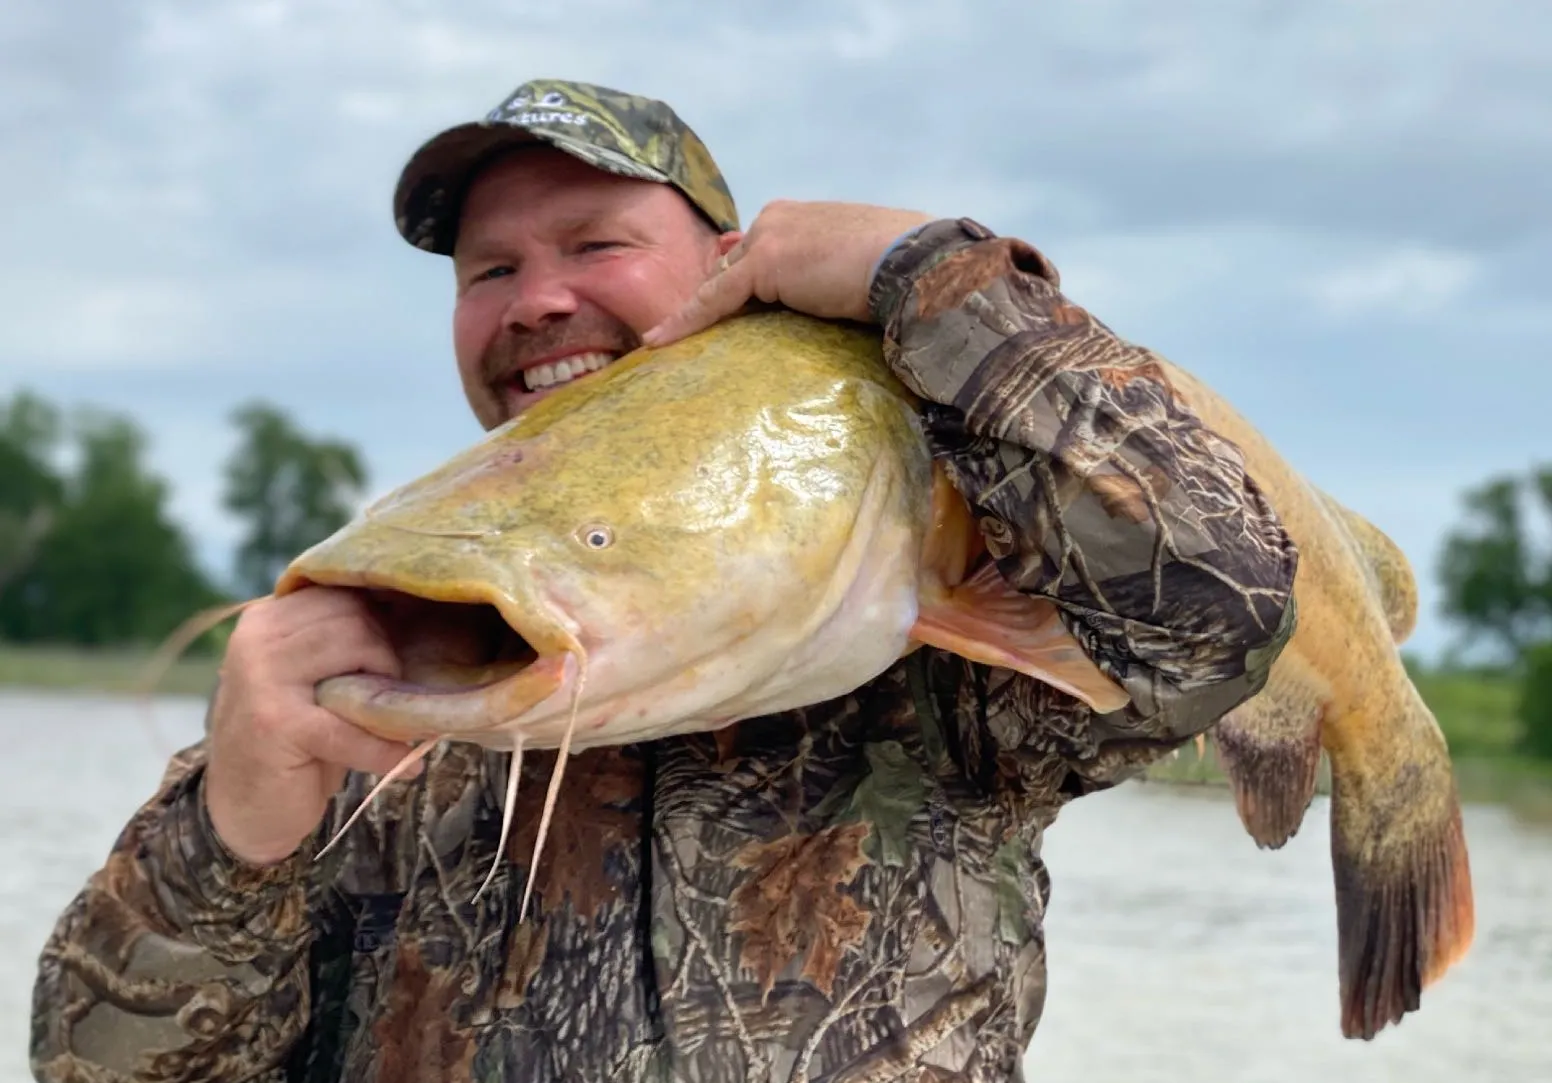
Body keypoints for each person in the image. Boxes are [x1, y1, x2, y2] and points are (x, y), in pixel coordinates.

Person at [30, 79, 1298, 1083]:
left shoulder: (935, 651)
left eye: (596, 242)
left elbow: (1221, 605)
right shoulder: (375, 666)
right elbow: (97, 1072)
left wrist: (928, 279)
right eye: (488, 272)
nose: (537, 302)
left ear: (737, 273)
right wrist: (235, 836)